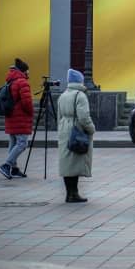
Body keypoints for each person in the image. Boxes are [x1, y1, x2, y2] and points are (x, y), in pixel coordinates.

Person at [57, 69, 95, 203]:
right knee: (75, 162)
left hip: (64, 129)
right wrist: (91, 129)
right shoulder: (80, 95)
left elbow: (59, 116)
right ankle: (74, 193)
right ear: (80, 81)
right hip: (76, 129)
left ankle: (69, 193)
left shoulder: (63, 94)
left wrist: (60, 130)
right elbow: (84, 117)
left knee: (67, 163)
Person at [0, 58, 33, 179]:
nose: (28, 73)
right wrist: (31, 112)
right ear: (23, 71)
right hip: (20, 118)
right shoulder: (22, 82)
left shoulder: (10, 80)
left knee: (13, 143)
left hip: (11, 117)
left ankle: (13, 169)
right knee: (22, 143)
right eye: (27, 71)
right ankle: (6, 165)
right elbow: (27, 102)